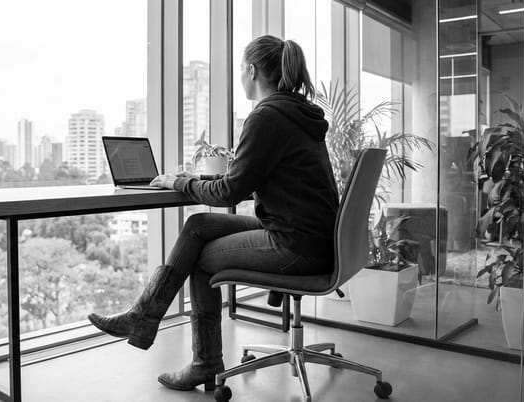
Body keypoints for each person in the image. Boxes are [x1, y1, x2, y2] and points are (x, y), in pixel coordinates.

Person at [88, 35, 339, 392]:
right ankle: (143, 317)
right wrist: (189, 179)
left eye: (240, 68)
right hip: (312, 237)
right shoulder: (296, 114)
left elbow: (229, 193)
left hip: (296, 244)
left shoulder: (267, 117)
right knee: (198, 225)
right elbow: (245, 179)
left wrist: (180, 184)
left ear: (251, 70)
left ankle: (202, 362)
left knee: (202, 259)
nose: (240, 75)